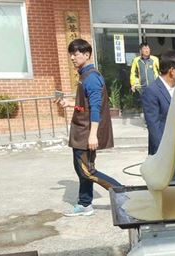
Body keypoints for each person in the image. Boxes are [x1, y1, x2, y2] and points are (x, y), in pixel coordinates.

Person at [56, 39, 122, 217]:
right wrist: (70, 103)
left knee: (87, 170)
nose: (72, 57)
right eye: (71, 53)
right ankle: (85, 204)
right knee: (83, 170)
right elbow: (84, 105)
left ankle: (123, 193)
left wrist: (93, 135)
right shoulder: (84, 75)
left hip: (85, 133)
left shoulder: (91, 77)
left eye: (76, 53)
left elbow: (95, 109)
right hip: (81, 131)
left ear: (86, 55)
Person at [141, 50, 175, 178]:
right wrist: (163, 154)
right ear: (172, 71)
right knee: (169, 186)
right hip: (169, 147)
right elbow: (154, 126)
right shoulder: (152, 91)